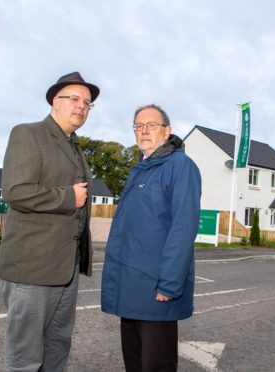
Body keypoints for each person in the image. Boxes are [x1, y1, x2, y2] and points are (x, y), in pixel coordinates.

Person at [0, 71, 99, 371]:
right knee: (25, 357)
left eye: (88, 103)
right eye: (74, 99)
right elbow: (16, 191)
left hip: (65, 269)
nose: (82, 106)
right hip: (32, 269)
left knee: (57, 351)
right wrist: (68, 197)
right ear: (56, 101)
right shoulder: (28, 134)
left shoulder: (75, 146)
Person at [101, 104, 202, 371]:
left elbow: (183, 227)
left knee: (156, 366)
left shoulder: (181, 166)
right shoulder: (141, 168)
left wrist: (169, 284)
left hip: (156, 291)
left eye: (151, 125)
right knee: (134, 364)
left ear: (167, 131)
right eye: (138, 125)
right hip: (130, 288)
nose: (144, 130)